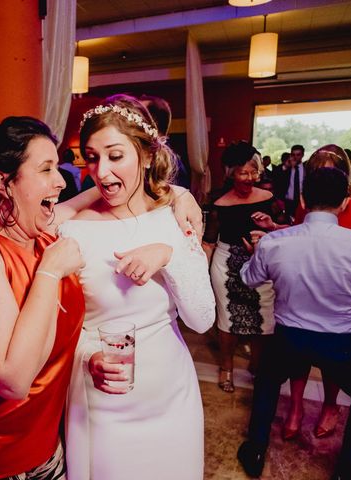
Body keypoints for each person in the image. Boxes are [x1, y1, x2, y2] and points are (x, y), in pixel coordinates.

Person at [0, 116, 205, 479]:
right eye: (46, 168)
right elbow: (12, 379)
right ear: (3, 182)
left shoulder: (45, 239)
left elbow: (66, 330)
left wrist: (175, 192)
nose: (62, 179)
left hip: (41, 450)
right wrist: (49, 272)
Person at [59, 95, 216, 480]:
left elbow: (202, 319)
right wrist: (86, 357)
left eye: (115, 156)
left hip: (172, 393)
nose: (101, 171)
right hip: (104, 398)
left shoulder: (175, 221)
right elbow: (60, 326)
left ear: (146, 155)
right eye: (92, 157)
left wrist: (169, 253)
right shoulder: (73, 228)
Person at [236, 167, 351, 480]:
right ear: (344, 202)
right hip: (344, 343)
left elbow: (249, 278)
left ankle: (256, 450)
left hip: (290, 339)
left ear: (302, 198)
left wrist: (254, 255)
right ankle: (347, 468)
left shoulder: (274, 243)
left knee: (266, 382)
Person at [282, 144, 351, 441]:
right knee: (298, 352)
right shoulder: (308, 203)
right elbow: (300, 235)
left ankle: (330, 405)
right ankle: (296, 407)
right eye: (317, 171)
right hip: (306, 285)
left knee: (332, 356)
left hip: (344, 291)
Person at [203, 141, 287, 393]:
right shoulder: (218, 202)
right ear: (230, 173)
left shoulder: (270, 199)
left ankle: (257, 364)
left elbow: (287, 232)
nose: (250, 178)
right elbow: (208, 241)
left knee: (264, 318)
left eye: (254, 172)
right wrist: (202, 273)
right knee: (228, 317)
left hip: (261, 265)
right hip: (227, 264)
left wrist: (268, 233)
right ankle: (226, 367)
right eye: (244, 172)